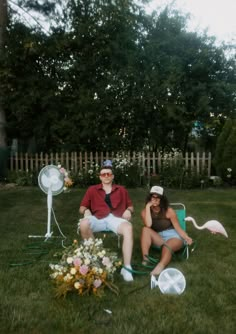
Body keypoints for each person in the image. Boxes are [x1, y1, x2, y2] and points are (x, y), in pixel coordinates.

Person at [79, 160, 134, 282]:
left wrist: (129, 211)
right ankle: (96, 259)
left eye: (109, 174)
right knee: (83, 224)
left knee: (128, 228)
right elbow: (82, 207)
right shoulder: (92, 190)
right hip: (98, 218)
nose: (106, 176)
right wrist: (86, 211)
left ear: (113, 176)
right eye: (103, 174)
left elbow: (130, 206)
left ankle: (127, 268)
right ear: (100, 177)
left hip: (115, 218)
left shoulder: (121, 190)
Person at [141, 186, 193, 276]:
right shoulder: (144, 212)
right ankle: (146, 259)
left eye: (158, 197)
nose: (156, 200)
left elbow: (178, 228)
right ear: (150, 198)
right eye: (153, 197)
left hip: (173, 236)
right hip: (159, 237)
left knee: (167, 246)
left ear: (162, 199)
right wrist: (147, 207)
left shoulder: (169, 211)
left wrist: (186, 237)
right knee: (145, 229)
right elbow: (148, 225)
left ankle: (160, 267)